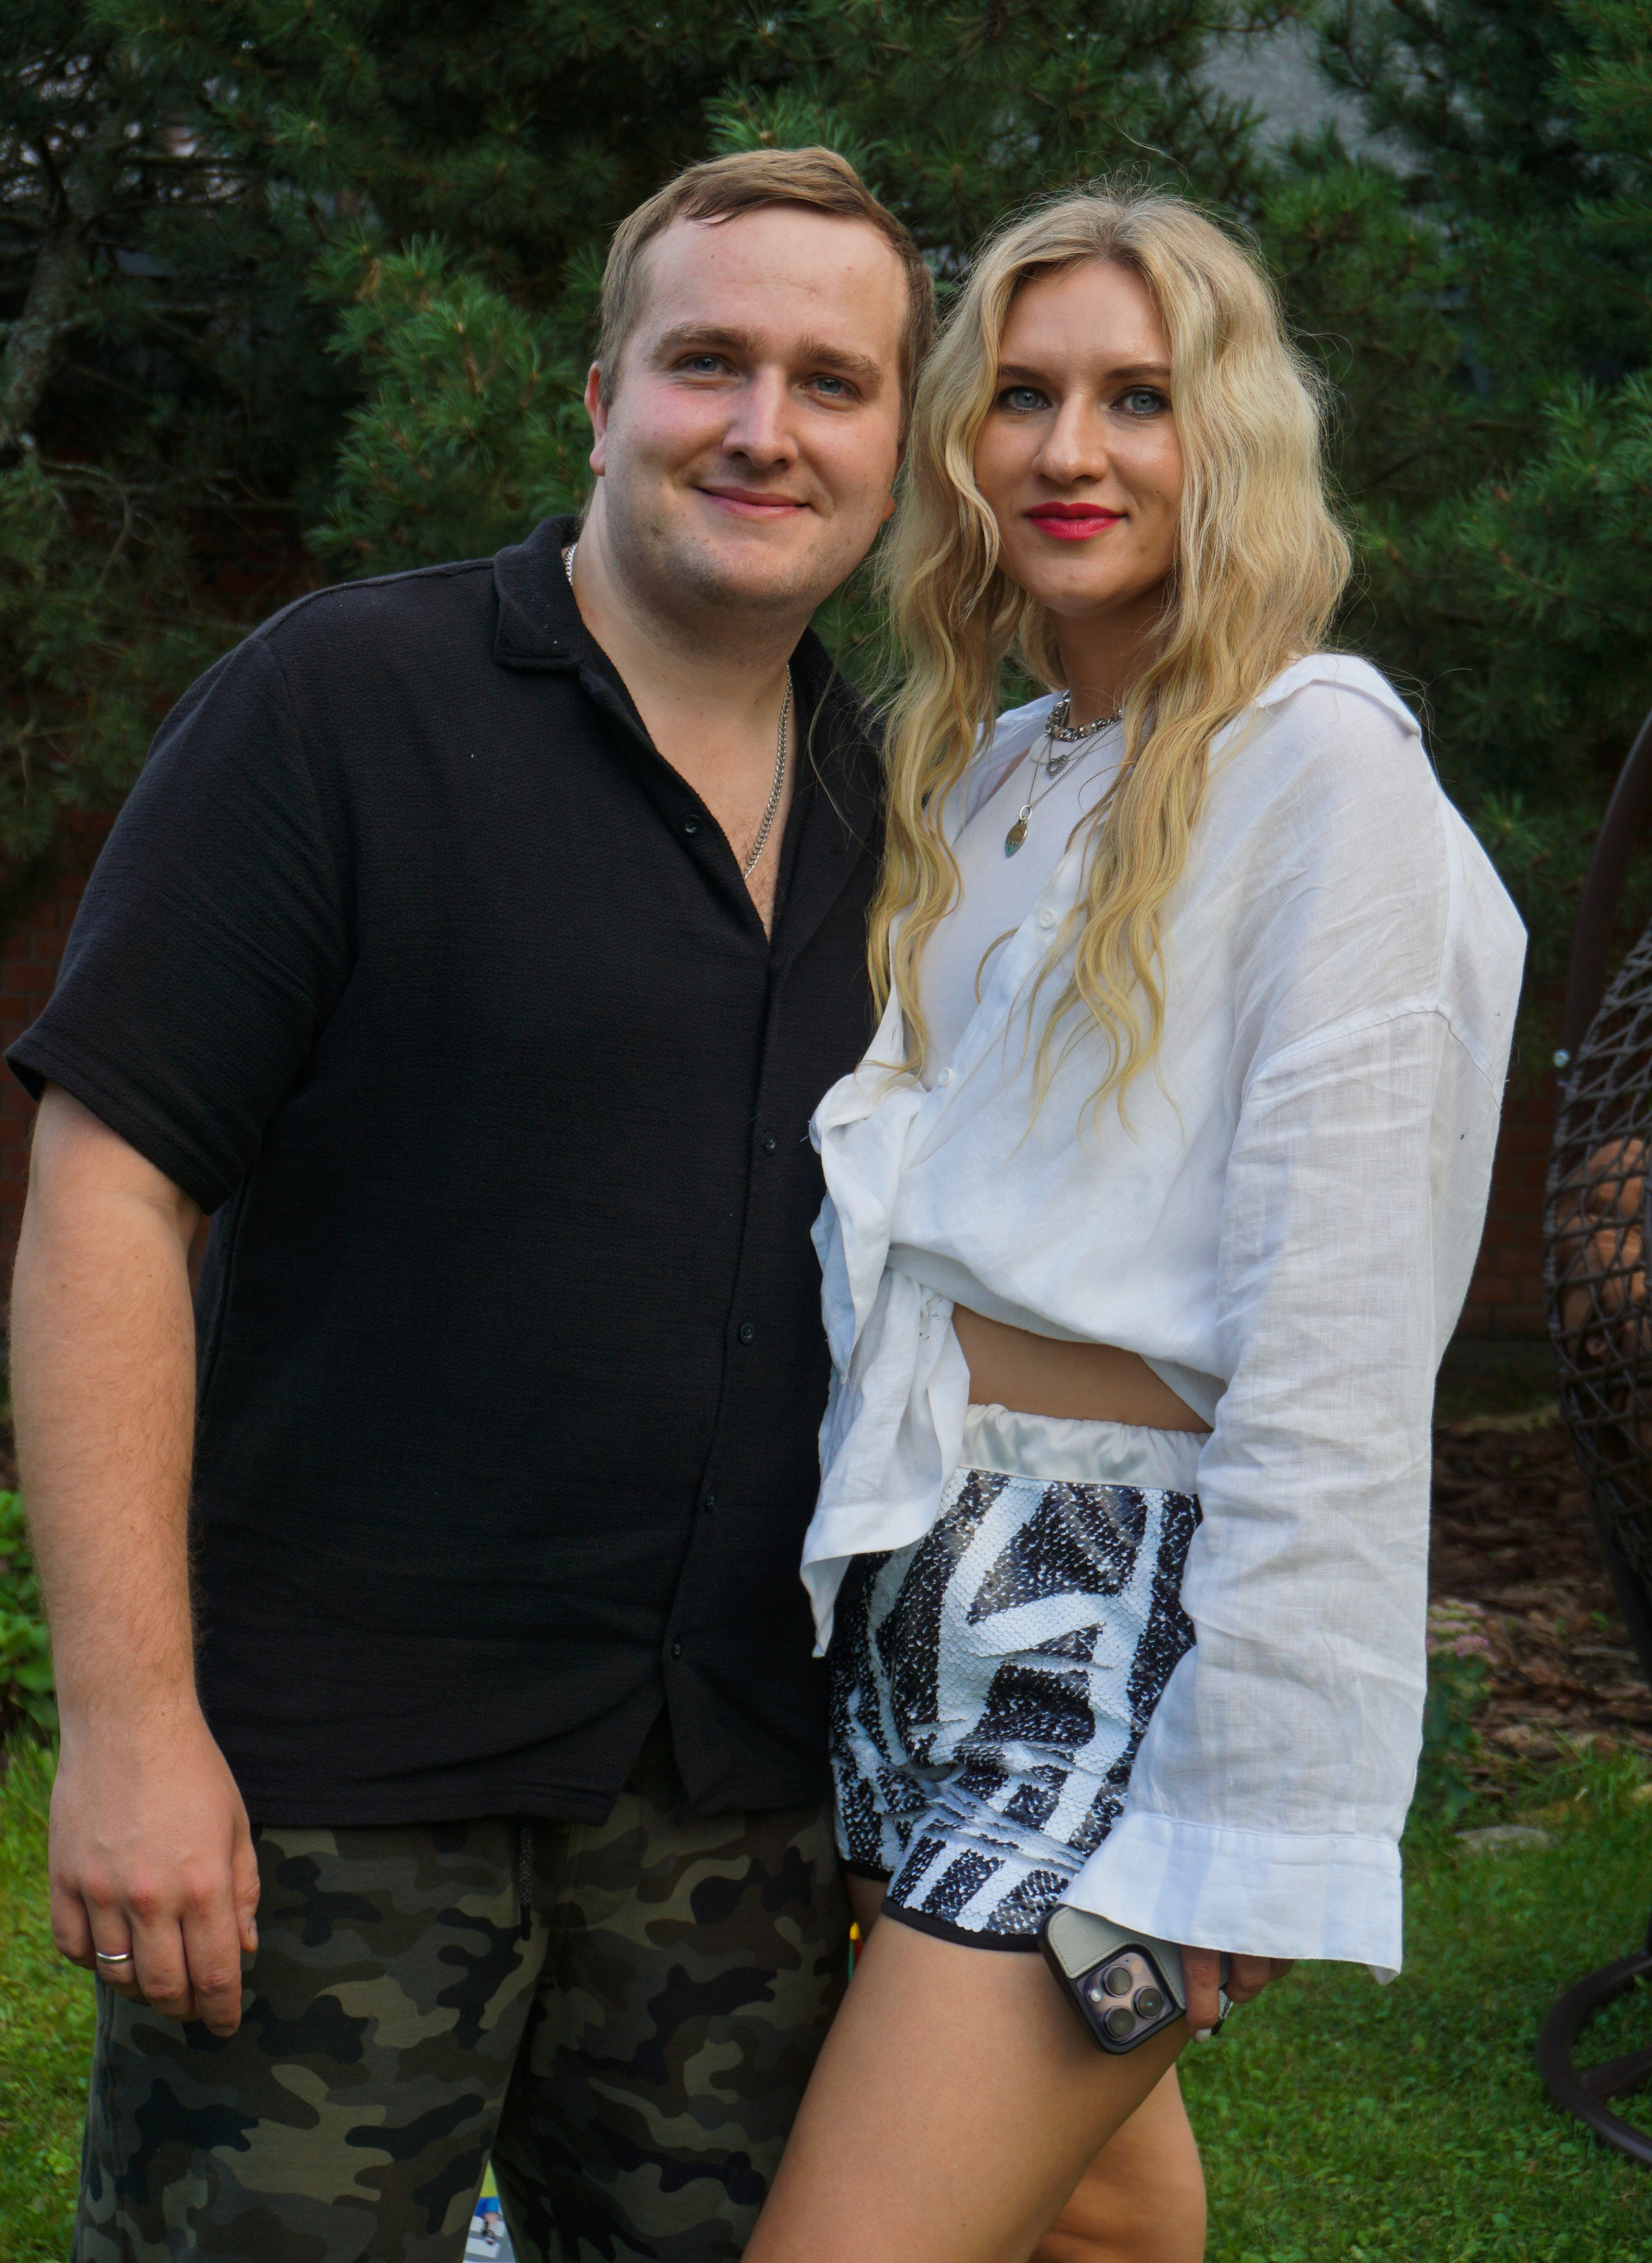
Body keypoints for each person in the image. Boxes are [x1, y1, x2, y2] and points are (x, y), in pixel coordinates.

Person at [5, 145, 930, 2262]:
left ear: (895, 448)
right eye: (705, 363)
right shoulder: (341, 705)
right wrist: (130, 1730)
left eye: (831, 381)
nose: (764, 427)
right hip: (334, 1795)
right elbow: (106, 1193)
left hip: (738, 1804)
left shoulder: (908, 801)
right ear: (599, 400)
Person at [743, 184, 1528, 2263]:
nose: (1069, 450)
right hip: (905, 1575)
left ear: (1229, 432)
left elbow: (1344, 1328)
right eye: (1020, 397)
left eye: (1137, 398)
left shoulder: (1324, 770)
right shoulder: (989, 772)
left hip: (1116, 1622)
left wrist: (1255, 1801)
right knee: (1094, 2222)